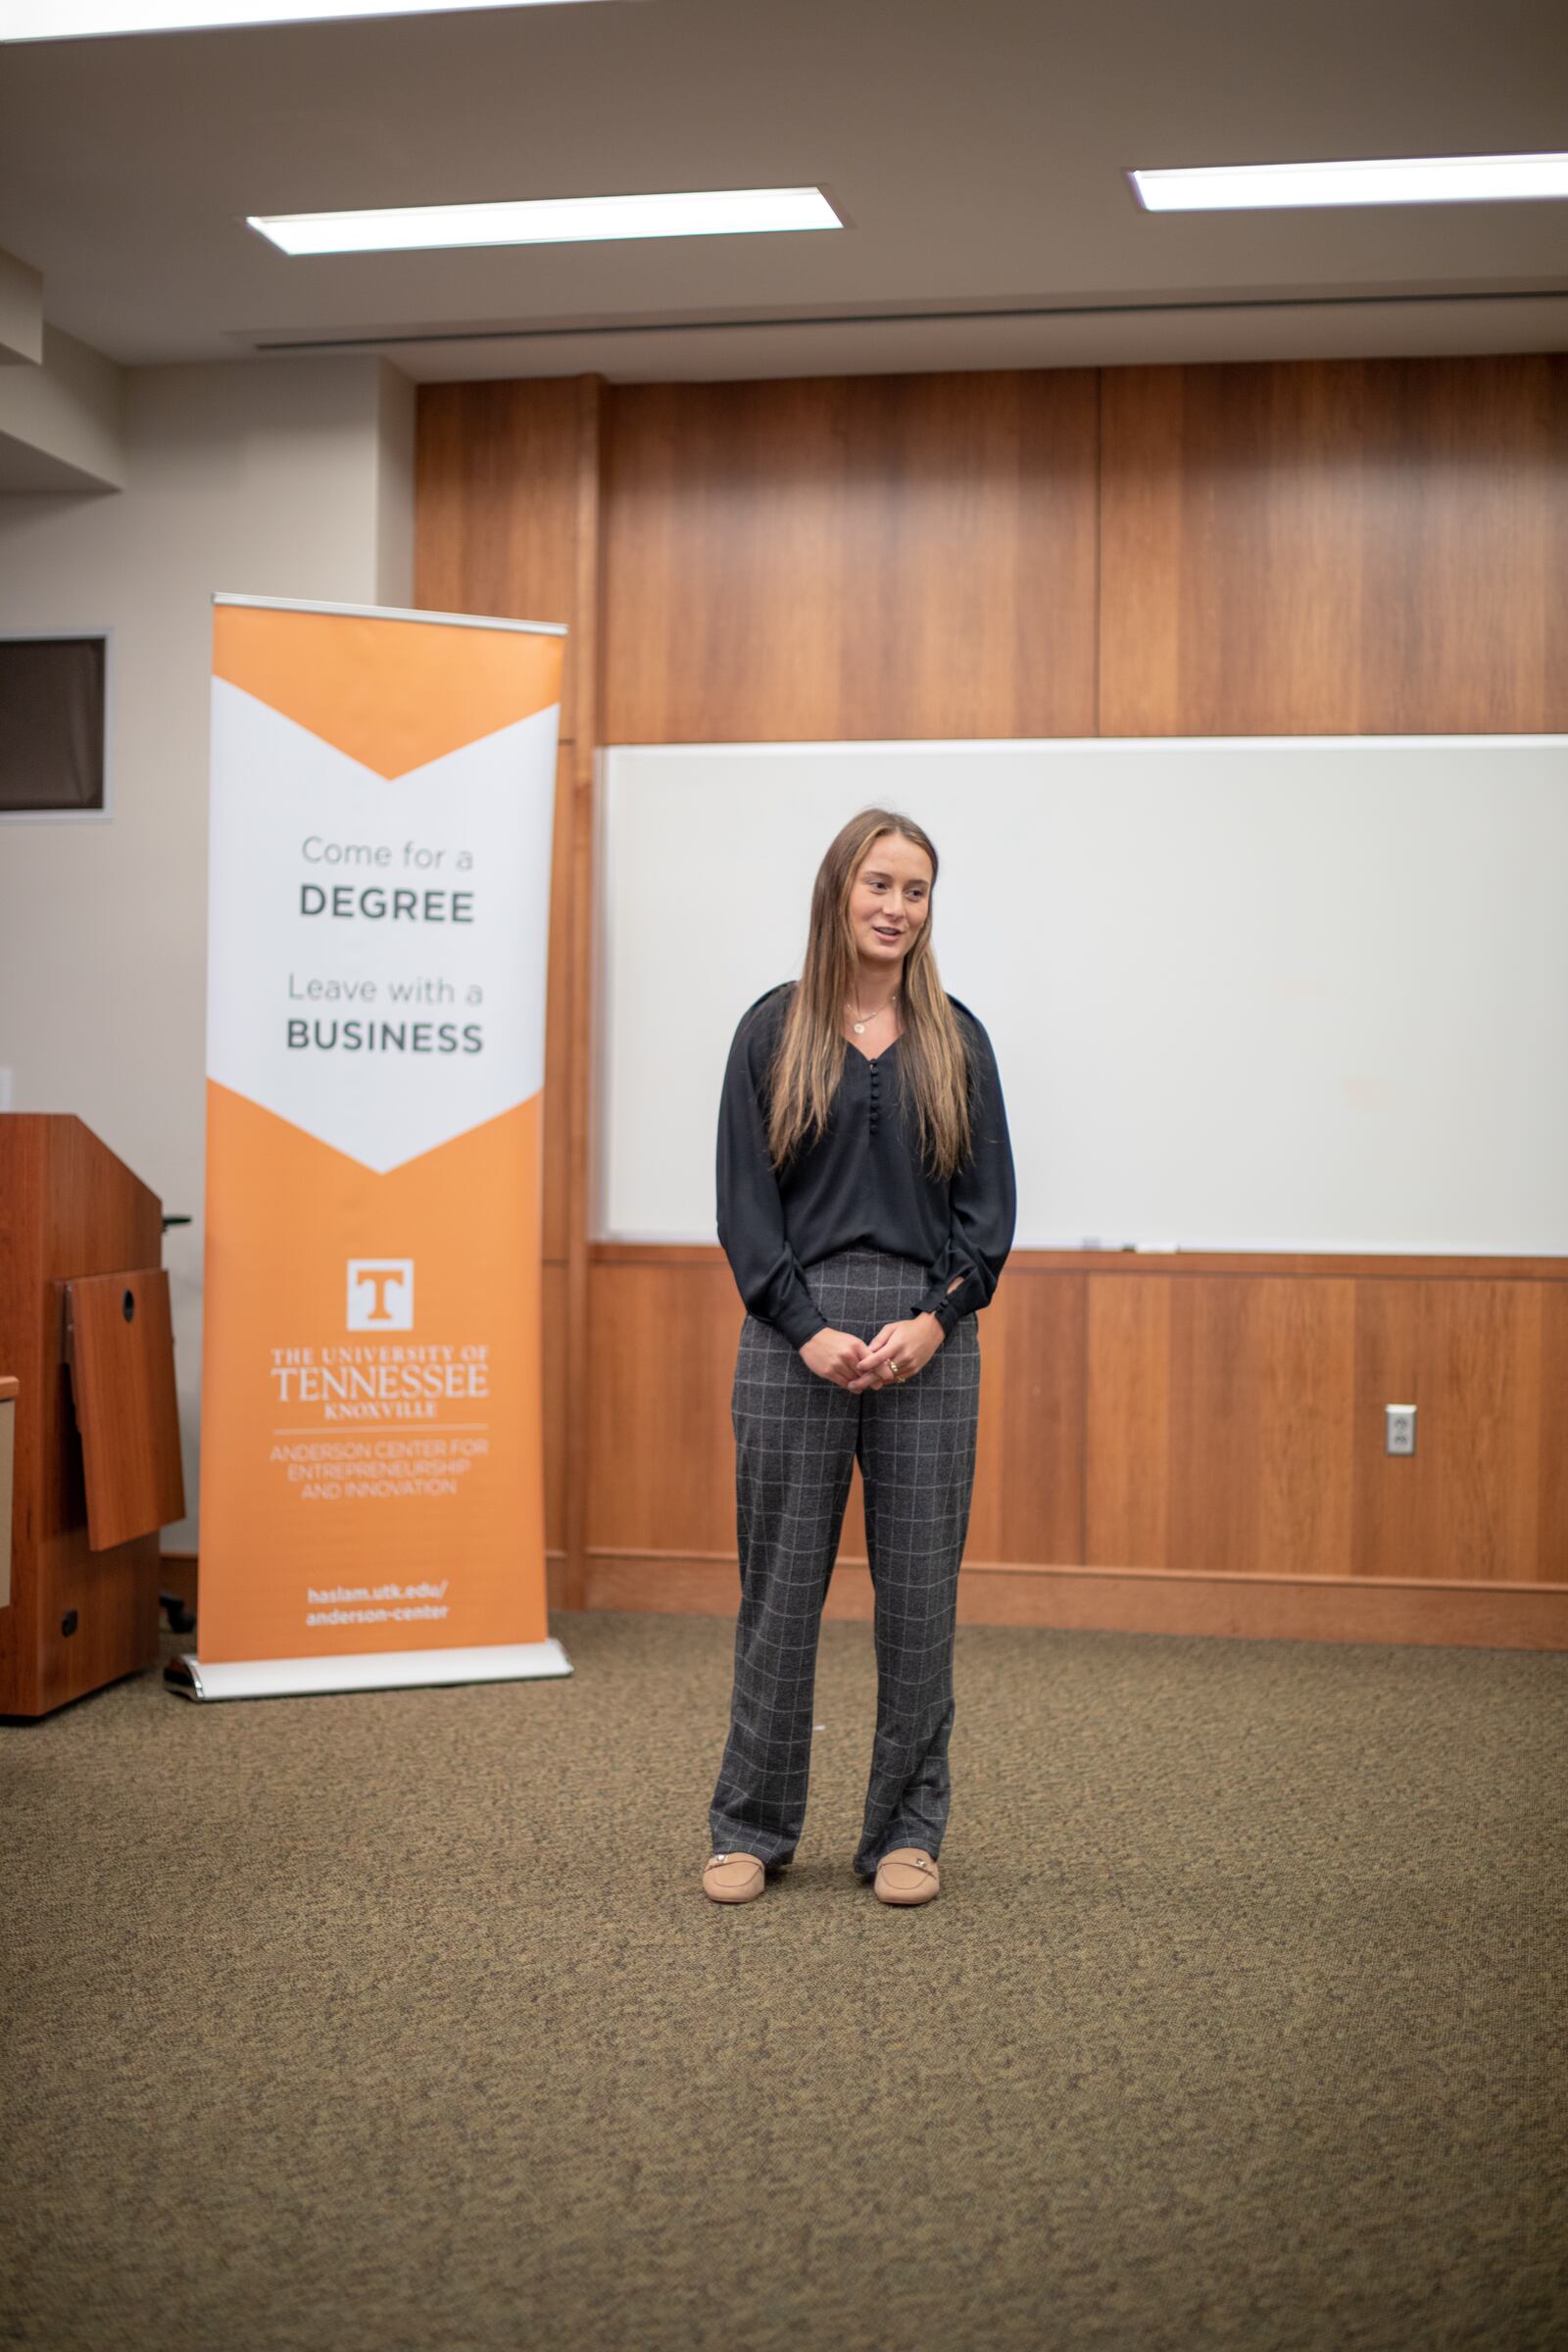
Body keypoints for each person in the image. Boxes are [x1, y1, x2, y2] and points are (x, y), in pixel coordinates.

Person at [705, 807, 1016, 1909]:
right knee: (779, 1595)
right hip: (796, 1336)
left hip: (930, 1340)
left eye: (916, 891)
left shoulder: (955, 1039)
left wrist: (935, 1320)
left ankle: (904, 1835)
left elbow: (988, 1217)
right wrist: (808, 1328)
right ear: (840, 890)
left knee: (919, 1597)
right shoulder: (771, 1031)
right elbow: (746, 1213)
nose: (895, 907)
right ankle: (750, 1826)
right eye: (879, 884)